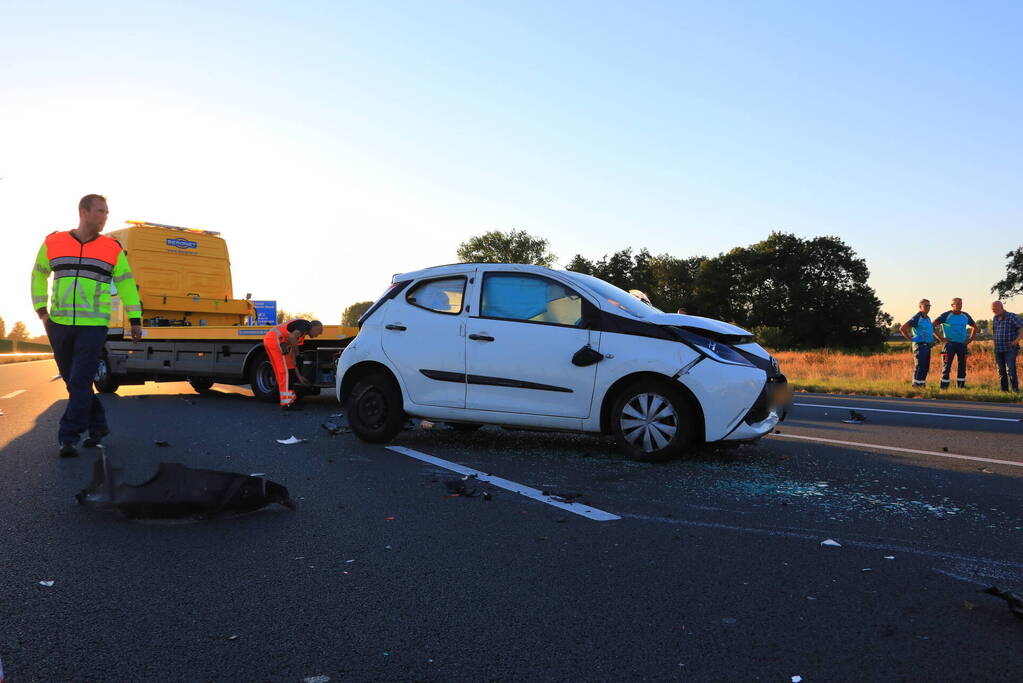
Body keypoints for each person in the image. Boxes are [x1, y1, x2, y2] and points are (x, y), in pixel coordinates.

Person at [30, 194, 143, 457]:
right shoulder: (53, 242)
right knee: (73, 381)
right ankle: (99, 426)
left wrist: (135, 319)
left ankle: (68, 436)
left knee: (80, 379)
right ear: (83, 212)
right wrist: (42, 312)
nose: (105, 216)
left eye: (106, 212)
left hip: (93, 326)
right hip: (58, 323)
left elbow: (126, 284)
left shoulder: (112, 248)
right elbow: (38, 274)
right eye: (100, 211)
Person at [262, 318, 324, 410]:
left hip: (273, 340)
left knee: (288, 370)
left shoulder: (301, 335)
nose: (318, 335)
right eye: (319, 332)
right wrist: (299, 355)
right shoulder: (305, 325)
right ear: (315, 327)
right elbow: (292, 337)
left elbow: (292, 359)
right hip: (276, 340)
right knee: (284, 372)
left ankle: (290, 400)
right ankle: (286, 404)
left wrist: (299, 377)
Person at [933, 298, 976, 389]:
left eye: (960, 304)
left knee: (962, 367)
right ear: (952, 305)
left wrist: (970, 339)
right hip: (949, 345)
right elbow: (932, 325)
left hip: (962, 345)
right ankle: (944, 388)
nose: (959, 305)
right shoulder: (946, 315)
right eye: (957, 304)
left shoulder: (965, 315)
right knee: (946, 367)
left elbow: (974, 327)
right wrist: (940, 338)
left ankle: (960, 387)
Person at [899, 299, 935, 387]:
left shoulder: (927, 317)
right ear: (920, 307)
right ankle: (916, 385)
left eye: (929, 306)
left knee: (925, 366)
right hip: (919, 345)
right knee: (920, 365)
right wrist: (910, 339)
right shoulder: (917, 317)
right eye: (926, 305)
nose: (928, 307)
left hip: (927, 345)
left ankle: (922, 384)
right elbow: (902, 328)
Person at [990, 301, 1023, 392]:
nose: (994, 311)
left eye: (995, 309)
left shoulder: (1012, 316)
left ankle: (1015, 391)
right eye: (992, 310)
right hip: (998, 349)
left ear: (1001, 307)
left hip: (1010, 349)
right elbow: (995, 332)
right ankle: (1004, 391)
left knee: (1011, 370)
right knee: (1001, 371)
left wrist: (1016, 341)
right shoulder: (995, 318)